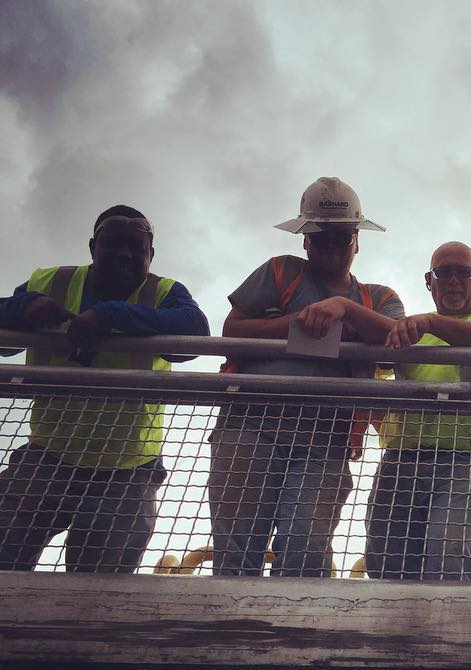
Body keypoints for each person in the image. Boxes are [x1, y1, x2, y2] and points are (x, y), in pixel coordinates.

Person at [209, 177, 403, 577]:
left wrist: (345, 311)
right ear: (305, 240)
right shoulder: (281, 272)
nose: (331, 247)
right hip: (249, 428)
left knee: (306, 550)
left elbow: (395, 341)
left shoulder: (378, 298)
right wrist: (297, 321)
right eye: (322, 237)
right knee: (236, 549)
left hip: (324, 441)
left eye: (341, 238)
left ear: (356, 241)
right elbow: (233, 330)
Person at [0, 205, 210, 572]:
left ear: (151, 254)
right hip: (49, 455)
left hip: (127, 470)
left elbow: (194, 334)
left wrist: (112, 315)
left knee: (95, 587)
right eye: (114, 244)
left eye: (136, 247)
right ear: (93, 246)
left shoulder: (164, 292)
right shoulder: (52, 282)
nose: (125, 255)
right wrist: (24, 307)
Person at [364, 241, 471, 580]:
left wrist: (432, 324)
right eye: (444, 272)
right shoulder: (408, 329)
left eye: (463, 272)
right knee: (384, 558)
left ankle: (456, 630)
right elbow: (373, 378)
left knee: (447, 551)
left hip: (466, 462)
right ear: (428, 280)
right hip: (401, 460)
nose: (453, 280)